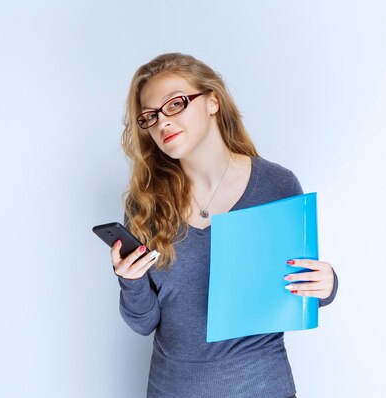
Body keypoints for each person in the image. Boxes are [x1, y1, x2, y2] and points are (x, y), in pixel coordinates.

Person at [109, 52, 339, 398]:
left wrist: (327, 285)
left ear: (213, 101)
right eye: (150, 117)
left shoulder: (277, 186)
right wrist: (130, 282)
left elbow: (299, 294)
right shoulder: (146, 205)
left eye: (175, 104)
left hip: (262, 387)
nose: (162, 123)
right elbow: (143, 322)